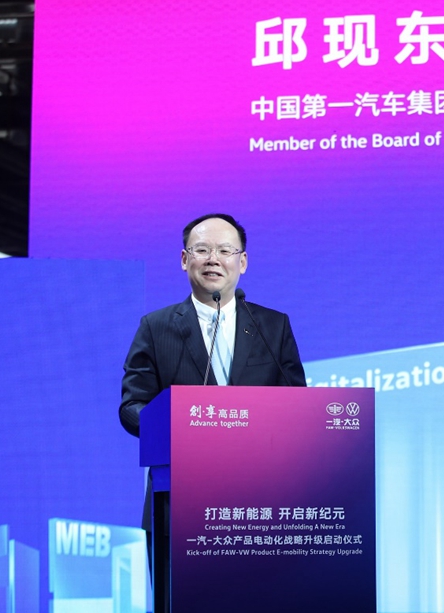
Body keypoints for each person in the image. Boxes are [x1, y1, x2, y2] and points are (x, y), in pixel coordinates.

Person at [118, 213, 306, 610]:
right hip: (178, 504)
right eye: (202, 250)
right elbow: (132, 406)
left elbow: (298, 408)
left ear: (243, 261)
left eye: (225, 250)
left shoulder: (273, 327)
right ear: (184, 259)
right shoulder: (156, 327)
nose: (213, 259)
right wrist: (182, 429)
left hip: (260, 507)